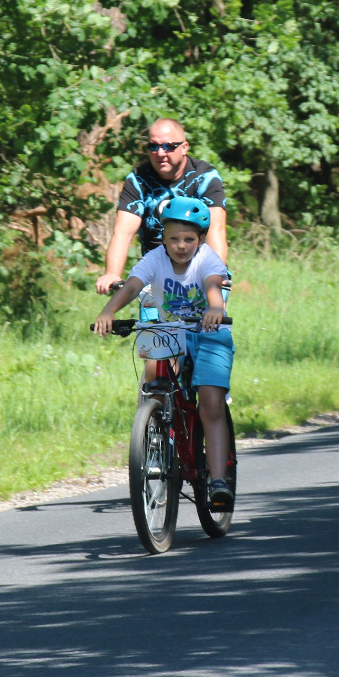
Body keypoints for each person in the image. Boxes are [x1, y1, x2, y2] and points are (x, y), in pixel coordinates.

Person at [95, 195, 235, 508]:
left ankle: (217, 480)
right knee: (153, 376)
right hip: (169, 331)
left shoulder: (207, 259)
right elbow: (132, 286)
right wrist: (108, 312)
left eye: (189, 239)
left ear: (201, 239)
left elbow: (213, 285)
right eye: (173, 239)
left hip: (209, 332)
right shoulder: (154, 259)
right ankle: (156, 432)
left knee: (210, 403)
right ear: (163, 238)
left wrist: (216, 308)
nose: (181, 246)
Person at [96, 119, 229, 294]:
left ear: (184, 147)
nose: (160, 153)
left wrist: (215, 273)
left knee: (209, 310)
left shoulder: (205, 177)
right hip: (156, 275)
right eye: (153, 146)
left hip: (201, 271)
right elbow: (122, 233)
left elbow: (216, 230)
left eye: (169, 146)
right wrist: (112, 273)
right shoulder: (138, 180)